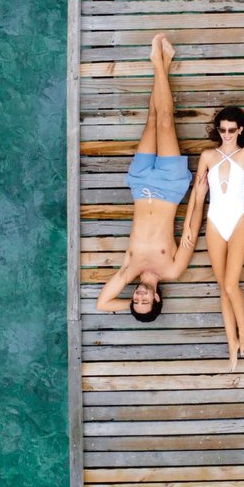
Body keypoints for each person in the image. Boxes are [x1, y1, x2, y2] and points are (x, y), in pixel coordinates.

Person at [95, 34, 206, 321]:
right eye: (145, 301)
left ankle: (163, 65)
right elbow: (191, 233)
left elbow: (102, 303)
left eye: (136, 302)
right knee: (166, 122)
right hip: (170, 187)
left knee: (152, 120)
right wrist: (199, 194)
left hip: (140, 184)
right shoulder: (171, 270)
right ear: (157, 299)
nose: (139, 297)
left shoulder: (128, 270)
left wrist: (126, 308)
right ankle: (157, 62)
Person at [194, 104, 244, 369]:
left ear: (239, 129)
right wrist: (191, 229)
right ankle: (231, 343)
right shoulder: (207, 155)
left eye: (230, 129)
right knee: (222, 287)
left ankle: (243, 331)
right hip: (214, 223)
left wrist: (236, 110)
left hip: (238, 222)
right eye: (221, 129)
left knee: (230, 285)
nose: (225, 133)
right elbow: (198, 195)